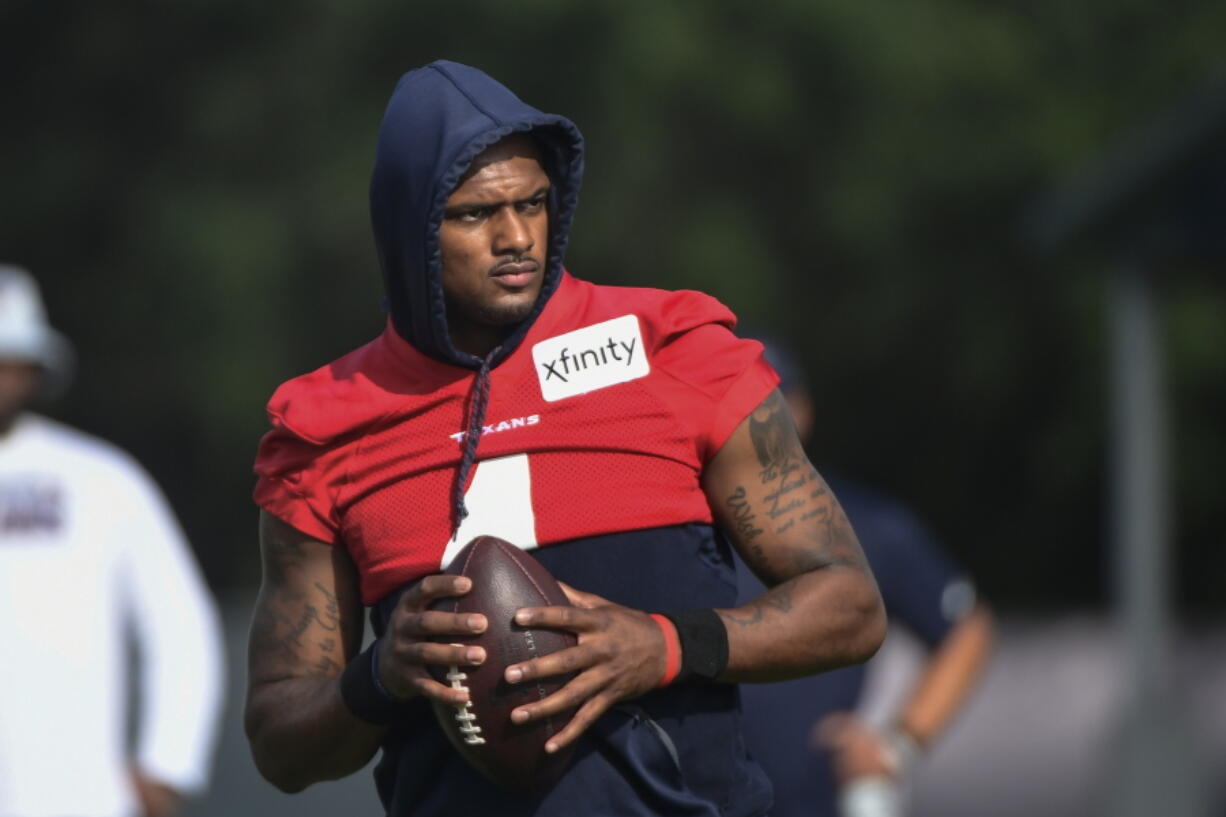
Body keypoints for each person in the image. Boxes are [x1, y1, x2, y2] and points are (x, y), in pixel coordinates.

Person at [244, 60, 886, 817]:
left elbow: (849, 605)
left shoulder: (676, 351)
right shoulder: (325, 429)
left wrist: (663, 645)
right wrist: (380, 674)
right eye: (477, 214)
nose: (517, 237)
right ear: (409, 223)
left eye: (534, 204)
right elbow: (279, 743)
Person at [734, 334, 994, 817]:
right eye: (735, 401)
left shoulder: (866, 525)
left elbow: (966, 630)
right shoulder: (677, 526)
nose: (753, 419)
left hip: (825, 802)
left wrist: (899, 743)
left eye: (770, 401)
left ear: (802, 410)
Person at [0, 264, 225, 817]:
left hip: (78, 799)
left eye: (7, 361)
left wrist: (167, 762)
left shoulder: (99, 479)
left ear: (33, 369)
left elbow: (178, 625)